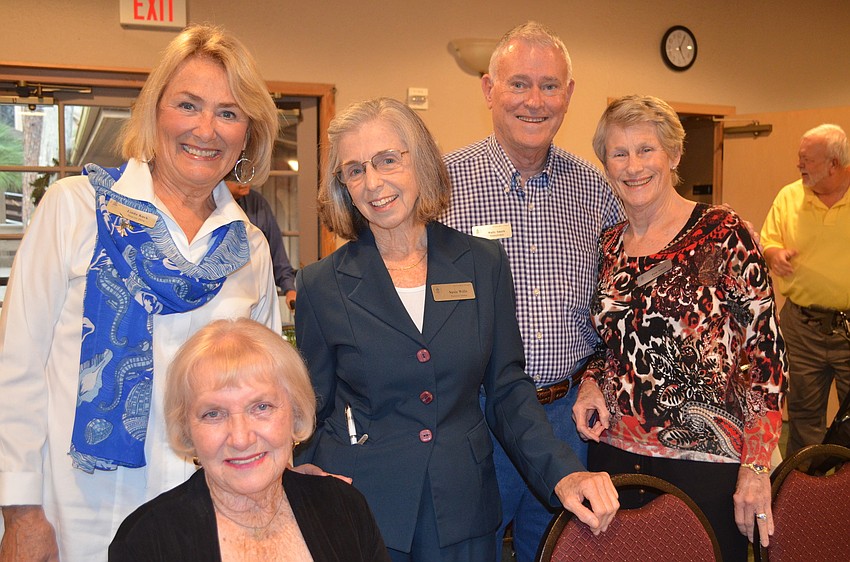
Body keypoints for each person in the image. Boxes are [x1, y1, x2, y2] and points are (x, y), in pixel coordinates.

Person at [0, 24, 282, 561]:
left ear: (248, 133)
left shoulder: (249, 247)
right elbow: (15, 369)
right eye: (188, 105)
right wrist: (21, 513)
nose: (206, 129)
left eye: (229, 113)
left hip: (209, 514)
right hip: (79, 509)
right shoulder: (74, 208)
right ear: (155, 112)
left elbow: (264, 394)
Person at [294, 97, 618, 562]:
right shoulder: (321, 284)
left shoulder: (481, 263)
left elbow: (507, 388)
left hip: (464, 510)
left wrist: (563, 473)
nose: (374, 182)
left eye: (388, 160)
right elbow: (310, 406)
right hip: (364, 509)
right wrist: (305, 472)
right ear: (343, 185)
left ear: (420, 163)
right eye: (355, 170)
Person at [573, 94, 787, 562]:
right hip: (614, 461)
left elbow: (767, 361)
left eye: (646, 150)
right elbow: (610, 347)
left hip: (706, 467)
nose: (633, 166)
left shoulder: (724, 232)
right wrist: (590, 385)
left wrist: (755, 465)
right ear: (606, 163)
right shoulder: (610, 245)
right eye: (619, 153)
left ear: (672, 155)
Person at [440, 21, 623, 561]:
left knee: (560, 550)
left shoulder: (596, 191)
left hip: (568, 417)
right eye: (519, 83)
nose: (534, 101)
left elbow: (617, 306)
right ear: (488, 89)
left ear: (569, 95)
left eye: (550, 86)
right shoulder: (444, 189)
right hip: (478, 420)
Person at [109, 318, 390, 561]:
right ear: (187, 429)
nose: (241, 438)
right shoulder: (146, 541)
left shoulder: (343, 509)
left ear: (295, 412)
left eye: (261, 407)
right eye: (213, 414)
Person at [761, 123, 850, 456]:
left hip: (848, 327)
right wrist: (774, 255)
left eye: (806, 159)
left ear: (833, 164)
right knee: (803, 418)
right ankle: (804, 495)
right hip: (802, 326)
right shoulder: (789, 195)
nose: (799, 166)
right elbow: (769, 240)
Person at [226, 177, 297, 310]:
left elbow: (277, 254)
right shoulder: (207, 205)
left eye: (248, 174)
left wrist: (290, 289)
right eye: (236, 177)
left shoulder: (258, 203)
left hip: (257, 298)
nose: (244, 181)